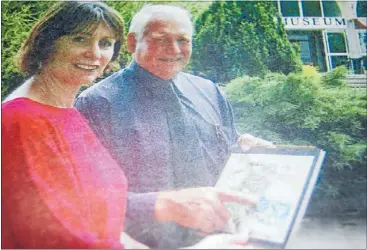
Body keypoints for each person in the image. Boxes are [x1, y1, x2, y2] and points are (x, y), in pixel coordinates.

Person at [1, 2, 256, 249]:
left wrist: (249, 152)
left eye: (105, 43)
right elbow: (58, 228)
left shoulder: (208, 91)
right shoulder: (88, 104)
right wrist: (164, 207)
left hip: (218, 232)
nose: (94, 53)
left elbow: (93, 199)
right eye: (79, 39)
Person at [75, 4, 273, 248]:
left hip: (223, 239)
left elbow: (224, 153)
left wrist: (245, 151)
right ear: (131, 42)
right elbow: (88, 197)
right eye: (160, 39)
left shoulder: (209, 91)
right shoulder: (97, 104)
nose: (174, 49)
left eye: (183, 39)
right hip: (146, 242)